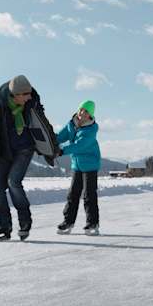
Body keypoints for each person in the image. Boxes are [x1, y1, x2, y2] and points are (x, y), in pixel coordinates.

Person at [0, 75, 61, 242]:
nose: (29, 97)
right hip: (3, 150)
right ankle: (4, 225)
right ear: (15, 95)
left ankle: (24, 220)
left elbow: (44, 126)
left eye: (29, 93)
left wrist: (53, 148)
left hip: (24, 149)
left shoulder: (32, 104)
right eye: (25, 94)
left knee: (13, 182)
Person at [57, 100, 101, 236]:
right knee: (73, 194)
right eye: (81, 109)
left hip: (90, 165)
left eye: (86, 111)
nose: (82, 113)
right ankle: (68, 222)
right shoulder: (72, 124)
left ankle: (92, 223)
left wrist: (61, 151)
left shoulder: (91, 129)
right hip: (77, 165)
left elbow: (79, 145)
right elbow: (60, 136)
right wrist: (50, 143)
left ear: (90, 115)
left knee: (89, 195)